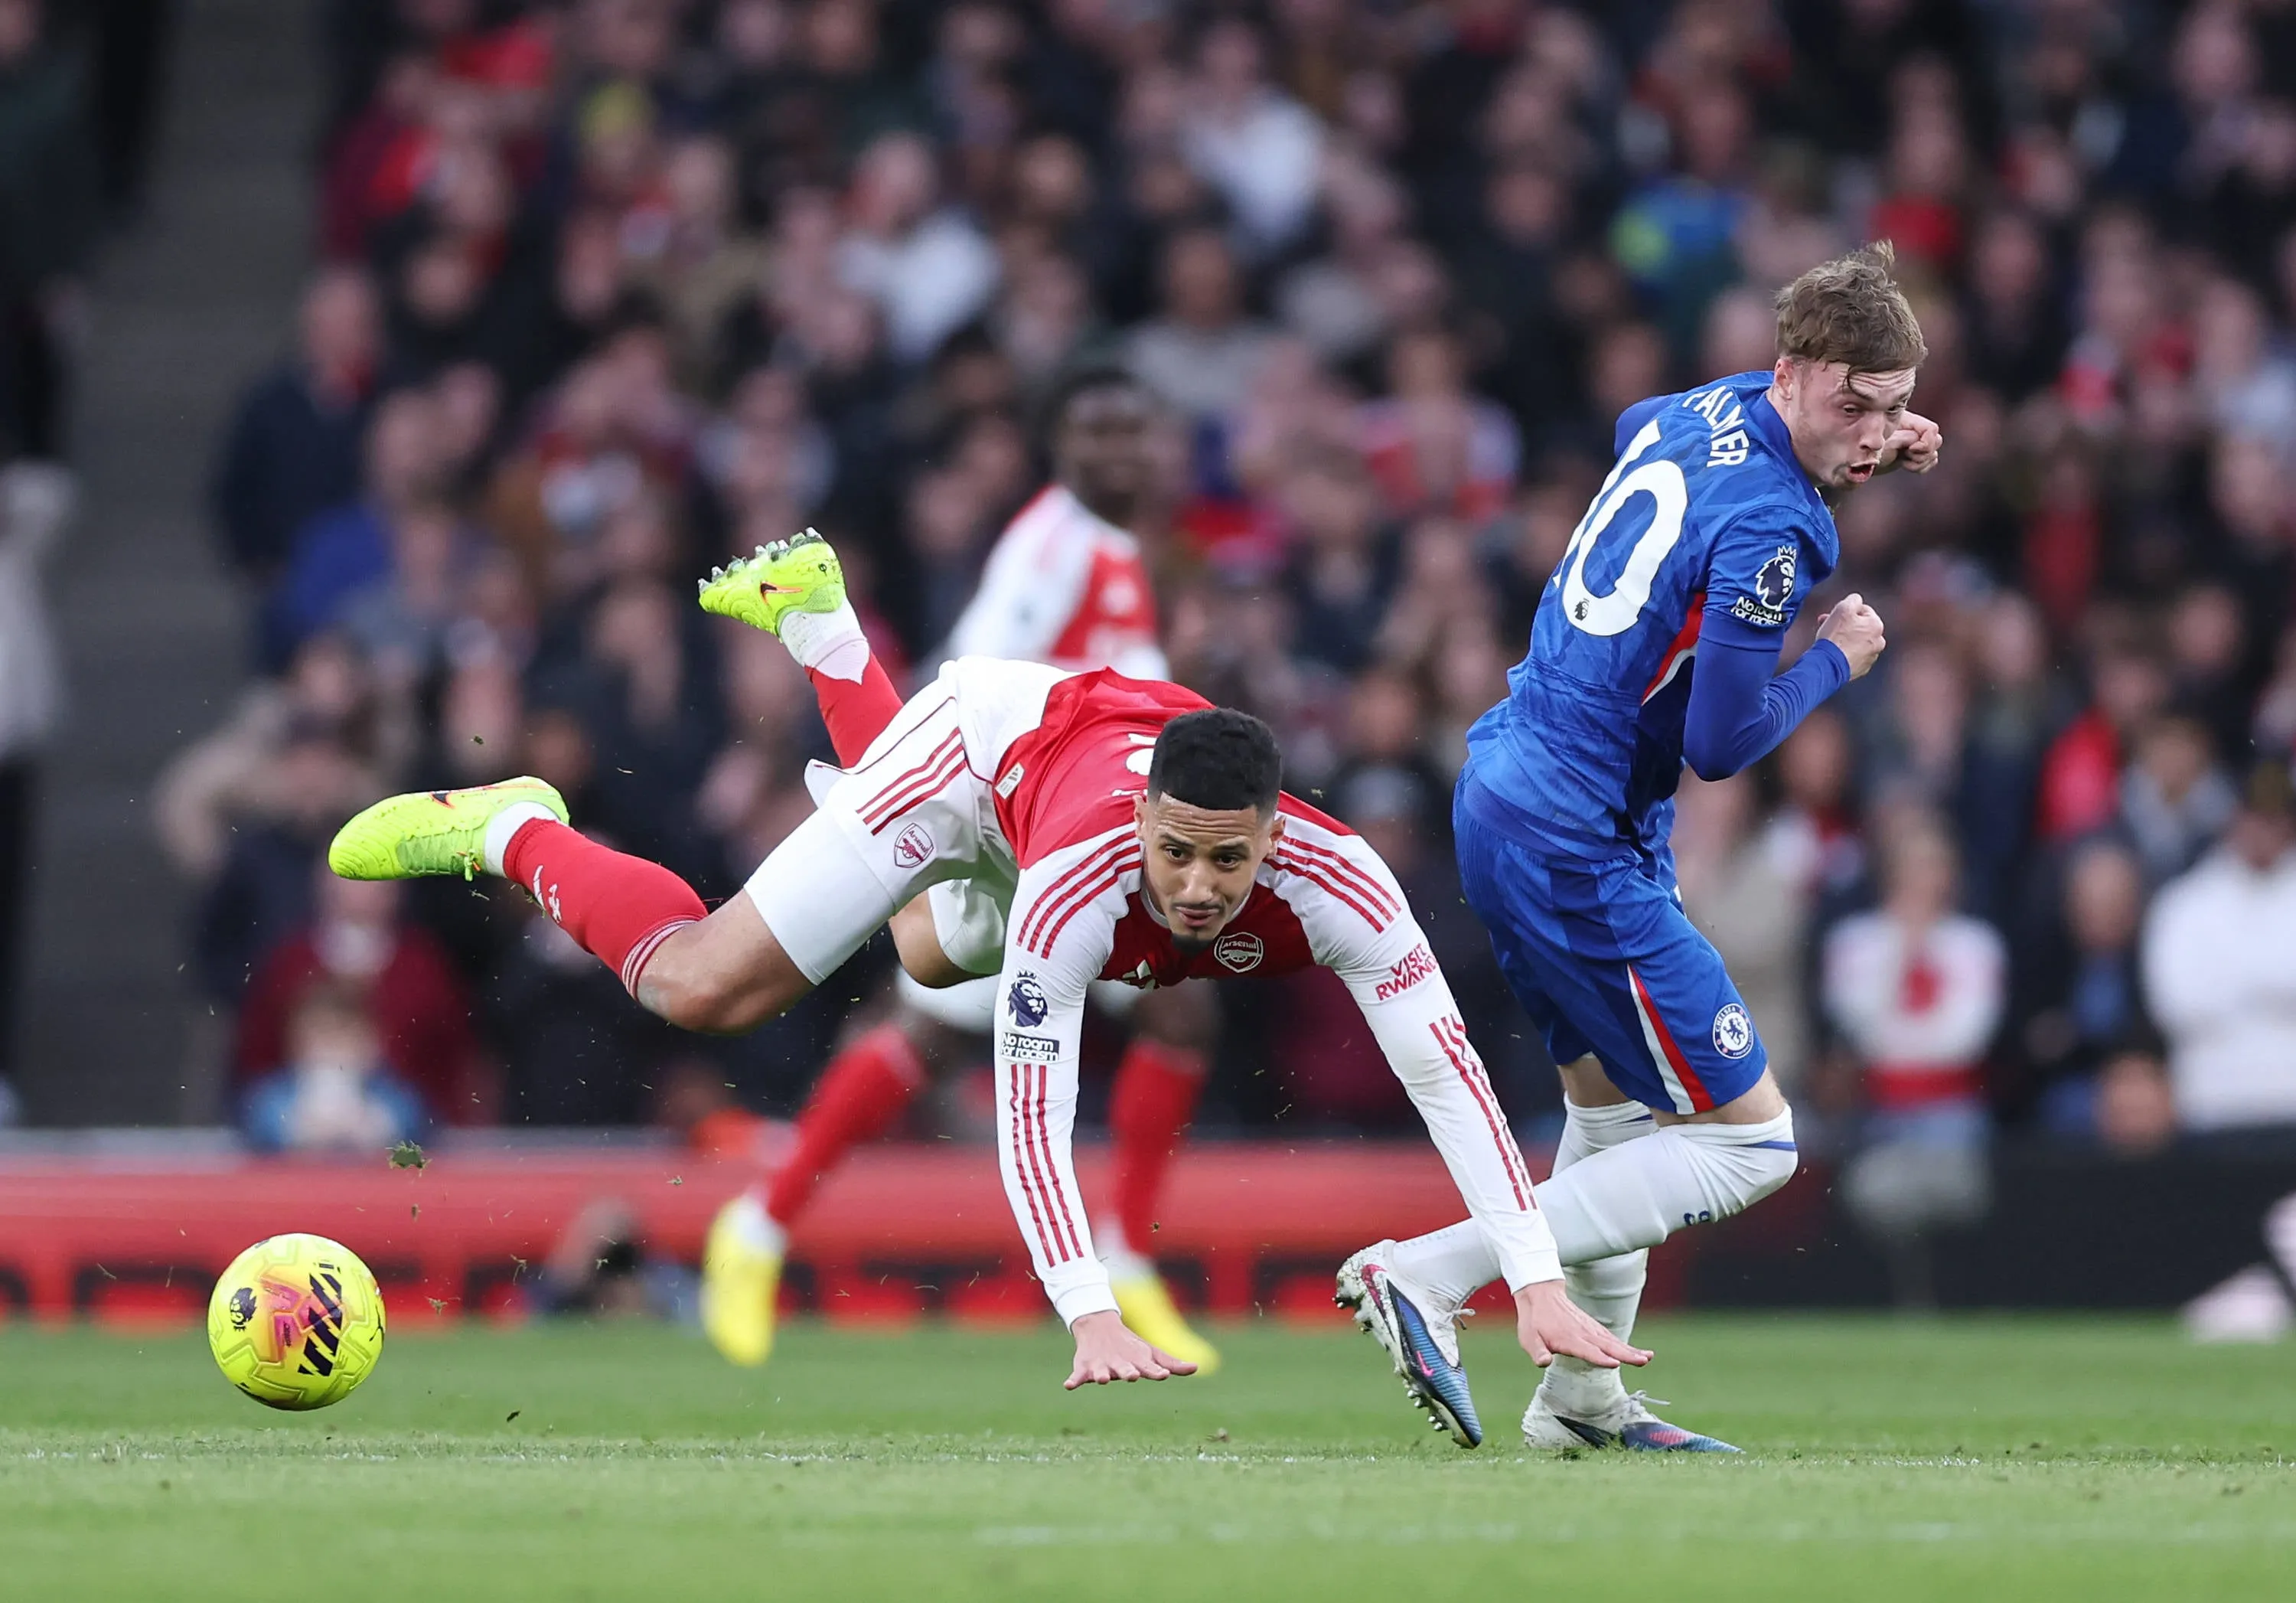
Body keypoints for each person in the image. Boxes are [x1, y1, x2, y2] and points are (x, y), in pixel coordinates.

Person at [328, 531, 1644, 1402]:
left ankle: (826, 626)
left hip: (1049, 798)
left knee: (919, 946)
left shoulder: (1345, 880)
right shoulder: (1078, 882)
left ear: (1272, 837)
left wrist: (1530, 1276)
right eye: (1177, 854)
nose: (1198, 887)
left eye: (1226, 863)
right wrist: (1085, 1311)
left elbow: (1447, 1073)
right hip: (977, 756)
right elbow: (1032, 1099)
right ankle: (508, 824)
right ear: (1145, 826)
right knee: (702, 985)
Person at [1338, 244, 1939, 1451]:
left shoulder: (1707, 408)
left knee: (1610, 1114)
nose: (1874, 434)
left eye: (1895, 408)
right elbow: (1722, 741)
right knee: (1752, 1141)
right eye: (1853, 405)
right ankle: (1430, 1272)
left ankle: (1582, 1405)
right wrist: (1835, 657)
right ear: (1794, 372)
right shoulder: (1777, 526)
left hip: (1509, 779)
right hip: (1576, 831)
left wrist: (1860, 441)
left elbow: (1635, 422)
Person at [747, 364, 1229, 1374]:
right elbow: (971, 669)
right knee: (932, 1014)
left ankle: (1120, 1252)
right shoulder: (1051, 546)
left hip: (1089, 819)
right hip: (1022, 808)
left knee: (1168, 1006)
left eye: (1134, 433)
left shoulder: (1124, 550)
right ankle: (760, 1225)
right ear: (1060, 448)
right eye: (1096, 433)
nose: (1120, 453)